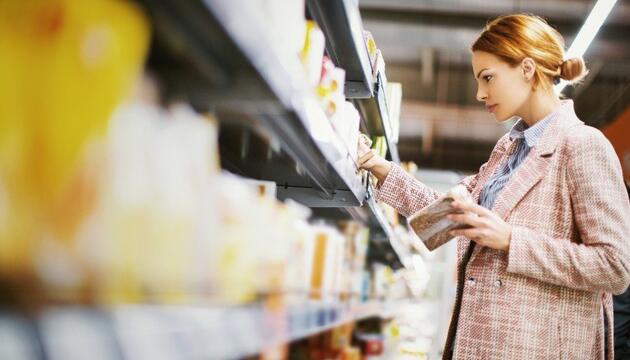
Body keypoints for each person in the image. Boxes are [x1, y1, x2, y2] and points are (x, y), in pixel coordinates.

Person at [358, 14, 630, 360]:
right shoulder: (508, 151)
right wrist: (379, 168)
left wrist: (511, 240)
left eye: (488, 77)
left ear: (527, 69)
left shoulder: (582, 145)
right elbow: (447, 214)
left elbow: (615, 266)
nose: (479, 93)